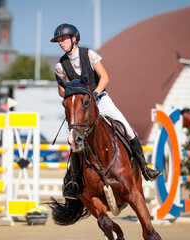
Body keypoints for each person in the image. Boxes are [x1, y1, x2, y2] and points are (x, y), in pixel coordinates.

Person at [51, 23, 161, 199]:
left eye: (63, 39)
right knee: (73, 140)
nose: (61, 43)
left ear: (74, 39)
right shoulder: (60, 65)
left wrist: (94, 94)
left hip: (101, 101)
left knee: (127, 129)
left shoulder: (89, 54)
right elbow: (60, 90)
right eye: (59, 40)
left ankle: (144, 167)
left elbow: (105, 78)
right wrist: (73, 98)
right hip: (81, 107)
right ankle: (74, 182)